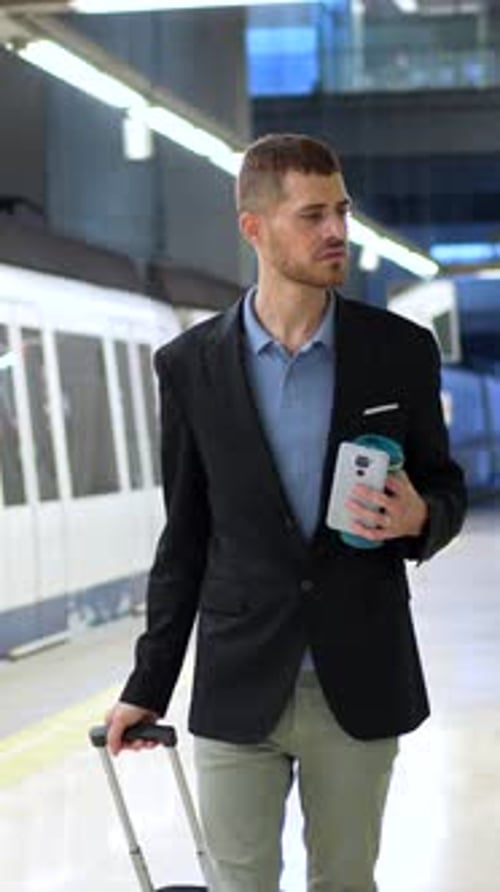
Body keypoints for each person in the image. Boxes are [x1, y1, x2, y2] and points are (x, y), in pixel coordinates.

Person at [106, 133, 467, 892]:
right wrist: (149, 683)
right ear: (255, 229)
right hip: (240, 682)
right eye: (312, 215)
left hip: (360, 678)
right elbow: (187, 537)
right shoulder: (190, 366)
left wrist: (418, 520)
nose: (336, 230)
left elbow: (446, 489)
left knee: (345, 882)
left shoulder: (399, 352)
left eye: (340, 210)